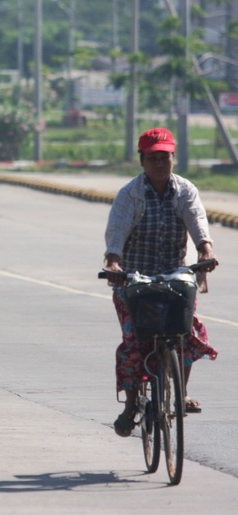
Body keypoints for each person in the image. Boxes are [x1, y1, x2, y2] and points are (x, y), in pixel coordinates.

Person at [102, 127, 218, 437]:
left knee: (189, 332)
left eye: (165, 157)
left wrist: (205, 247)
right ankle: (130, 405)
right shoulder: (130, 194)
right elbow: (117, 229)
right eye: (153, 158)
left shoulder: (185, 190)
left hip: (174, 278)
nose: (159, 164)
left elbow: (197, 220)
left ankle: (179, 393)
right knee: (134, 344)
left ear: (173, 159)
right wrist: (113, 260)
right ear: (141, 160)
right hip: (134, 281)